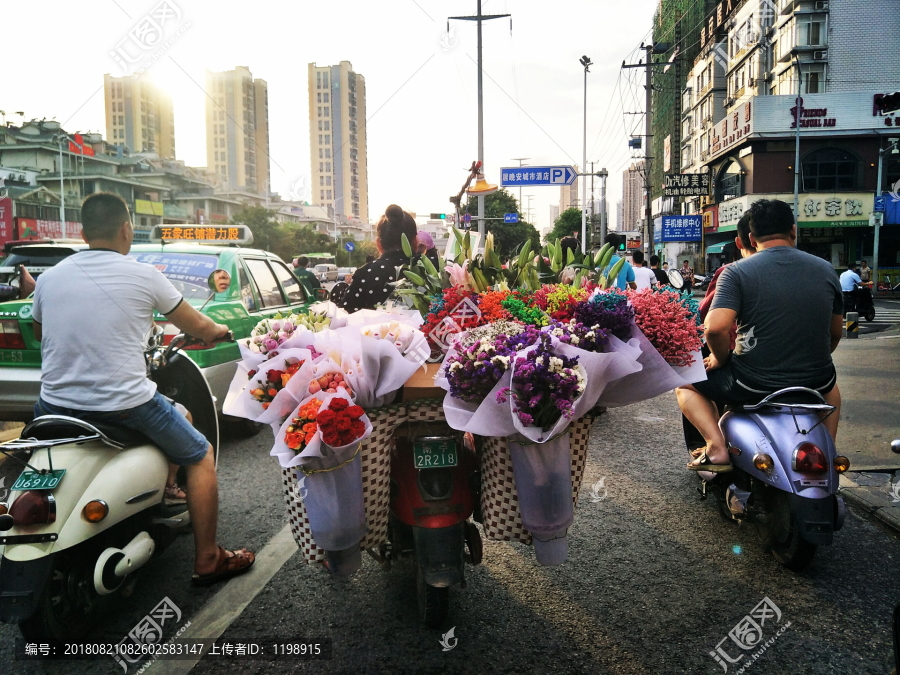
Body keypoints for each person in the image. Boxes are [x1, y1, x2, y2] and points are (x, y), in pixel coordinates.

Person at [31, 192, 255, 585]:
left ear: (83, 233)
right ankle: (208, 558)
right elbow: (199, 327)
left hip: (52, 406)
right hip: (124, 405)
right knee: (200, 454)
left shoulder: (50, 278)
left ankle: (165, 490)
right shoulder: (143, 274)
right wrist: (218, 330)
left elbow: (39, 329)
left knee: (177, 413)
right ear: (126, 229)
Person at [676, 199, 843, 471]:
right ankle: (829, 451)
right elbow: (834, 332)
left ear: (751, 238)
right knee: (832, 390)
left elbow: (715, 328)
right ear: (793, 230)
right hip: (815, 380)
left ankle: (716, 447)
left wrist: (720, 359)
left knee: (683, 379)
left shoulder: (737, 272)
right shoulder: (826, 270)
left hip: (751, 384)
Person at [340, 204, 417, 312]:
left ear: (378, 244)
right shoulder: (430, 272)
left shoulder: (366, 273)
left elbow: (346, 315)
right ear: (416, 242)